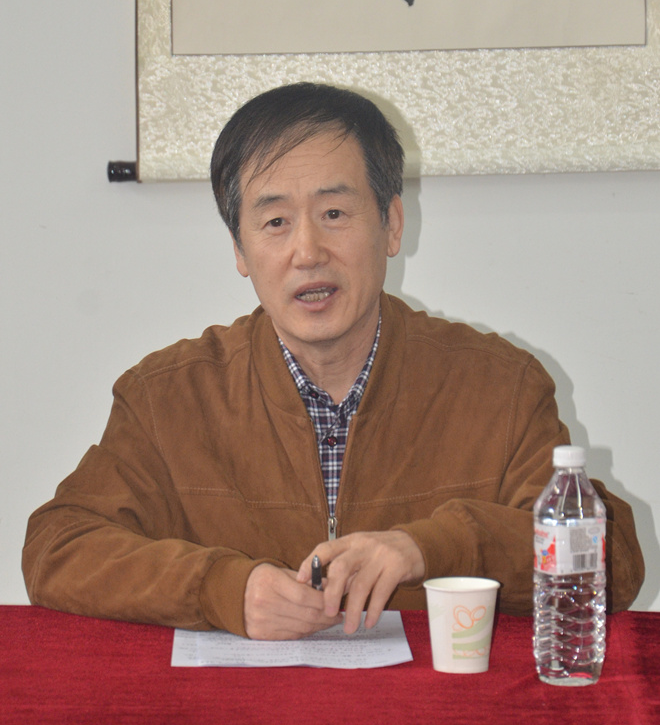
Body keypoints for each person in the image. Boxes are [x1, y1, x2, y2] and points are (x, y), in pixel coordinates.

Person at [23, 83, 644, 640]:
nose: (307, 251)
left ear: (392, 224)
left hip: (434, 712)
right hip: (236, 717)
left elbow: (611, 561)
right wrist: (222, 589)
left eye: (334, 214)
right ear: (239, 248)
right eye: (274, 221)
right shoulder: (169, 396)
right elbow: (58, 546)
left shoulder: (497, 386)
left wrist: (431, 547)